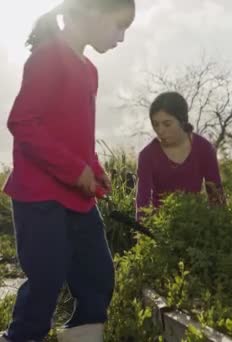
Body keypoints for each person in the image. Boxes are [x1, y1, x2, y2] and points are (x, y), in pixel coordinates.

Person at [0, 0, 136, 341]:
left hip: (78, 199)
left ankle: (82, 337)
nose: (121, 39)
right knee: (46, 280)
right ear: (92, 13)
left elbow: (79, 135)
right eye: (119, 26)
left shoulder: (89, 70)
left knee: (97, 276)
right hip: (39, 196)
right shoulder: (48, 56)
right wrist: (76, 171)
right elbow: (23, 123)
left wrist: (94, 167)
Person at [136, 91, 224, 221]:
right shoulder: (147, 155)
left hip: (195, 223)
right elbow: (142, 204)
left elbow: (216, 197)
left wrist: (221, 228)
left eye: (167, 124)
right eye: (155, 124)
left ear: (182, 121)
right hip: (160, 226)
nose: (160, 130)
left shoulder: (204, 148)